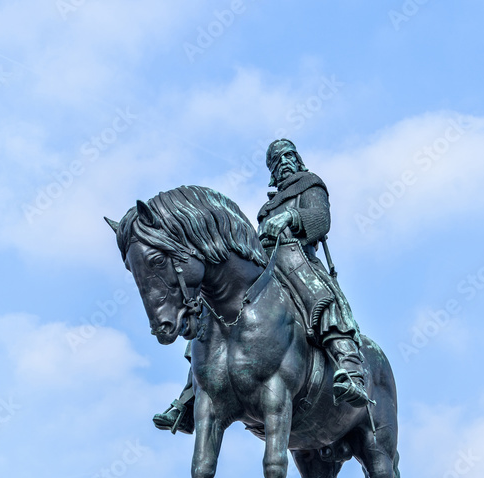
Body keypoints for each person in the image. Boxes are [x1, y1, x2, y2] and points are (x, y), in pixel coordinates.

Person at [153, 138, 370, 433]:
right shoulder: (267, 207)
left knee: (319, 296)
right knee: (210, 310)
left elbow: (321, 220)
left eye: (288, 157)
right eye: (276, 161)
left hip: (298, 259)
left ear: (298, 159)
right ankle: (190, 396)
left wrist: (291, 216)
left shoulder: (310, 184)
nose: (283, 163)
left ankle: (350, 365)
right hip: (265, 264)